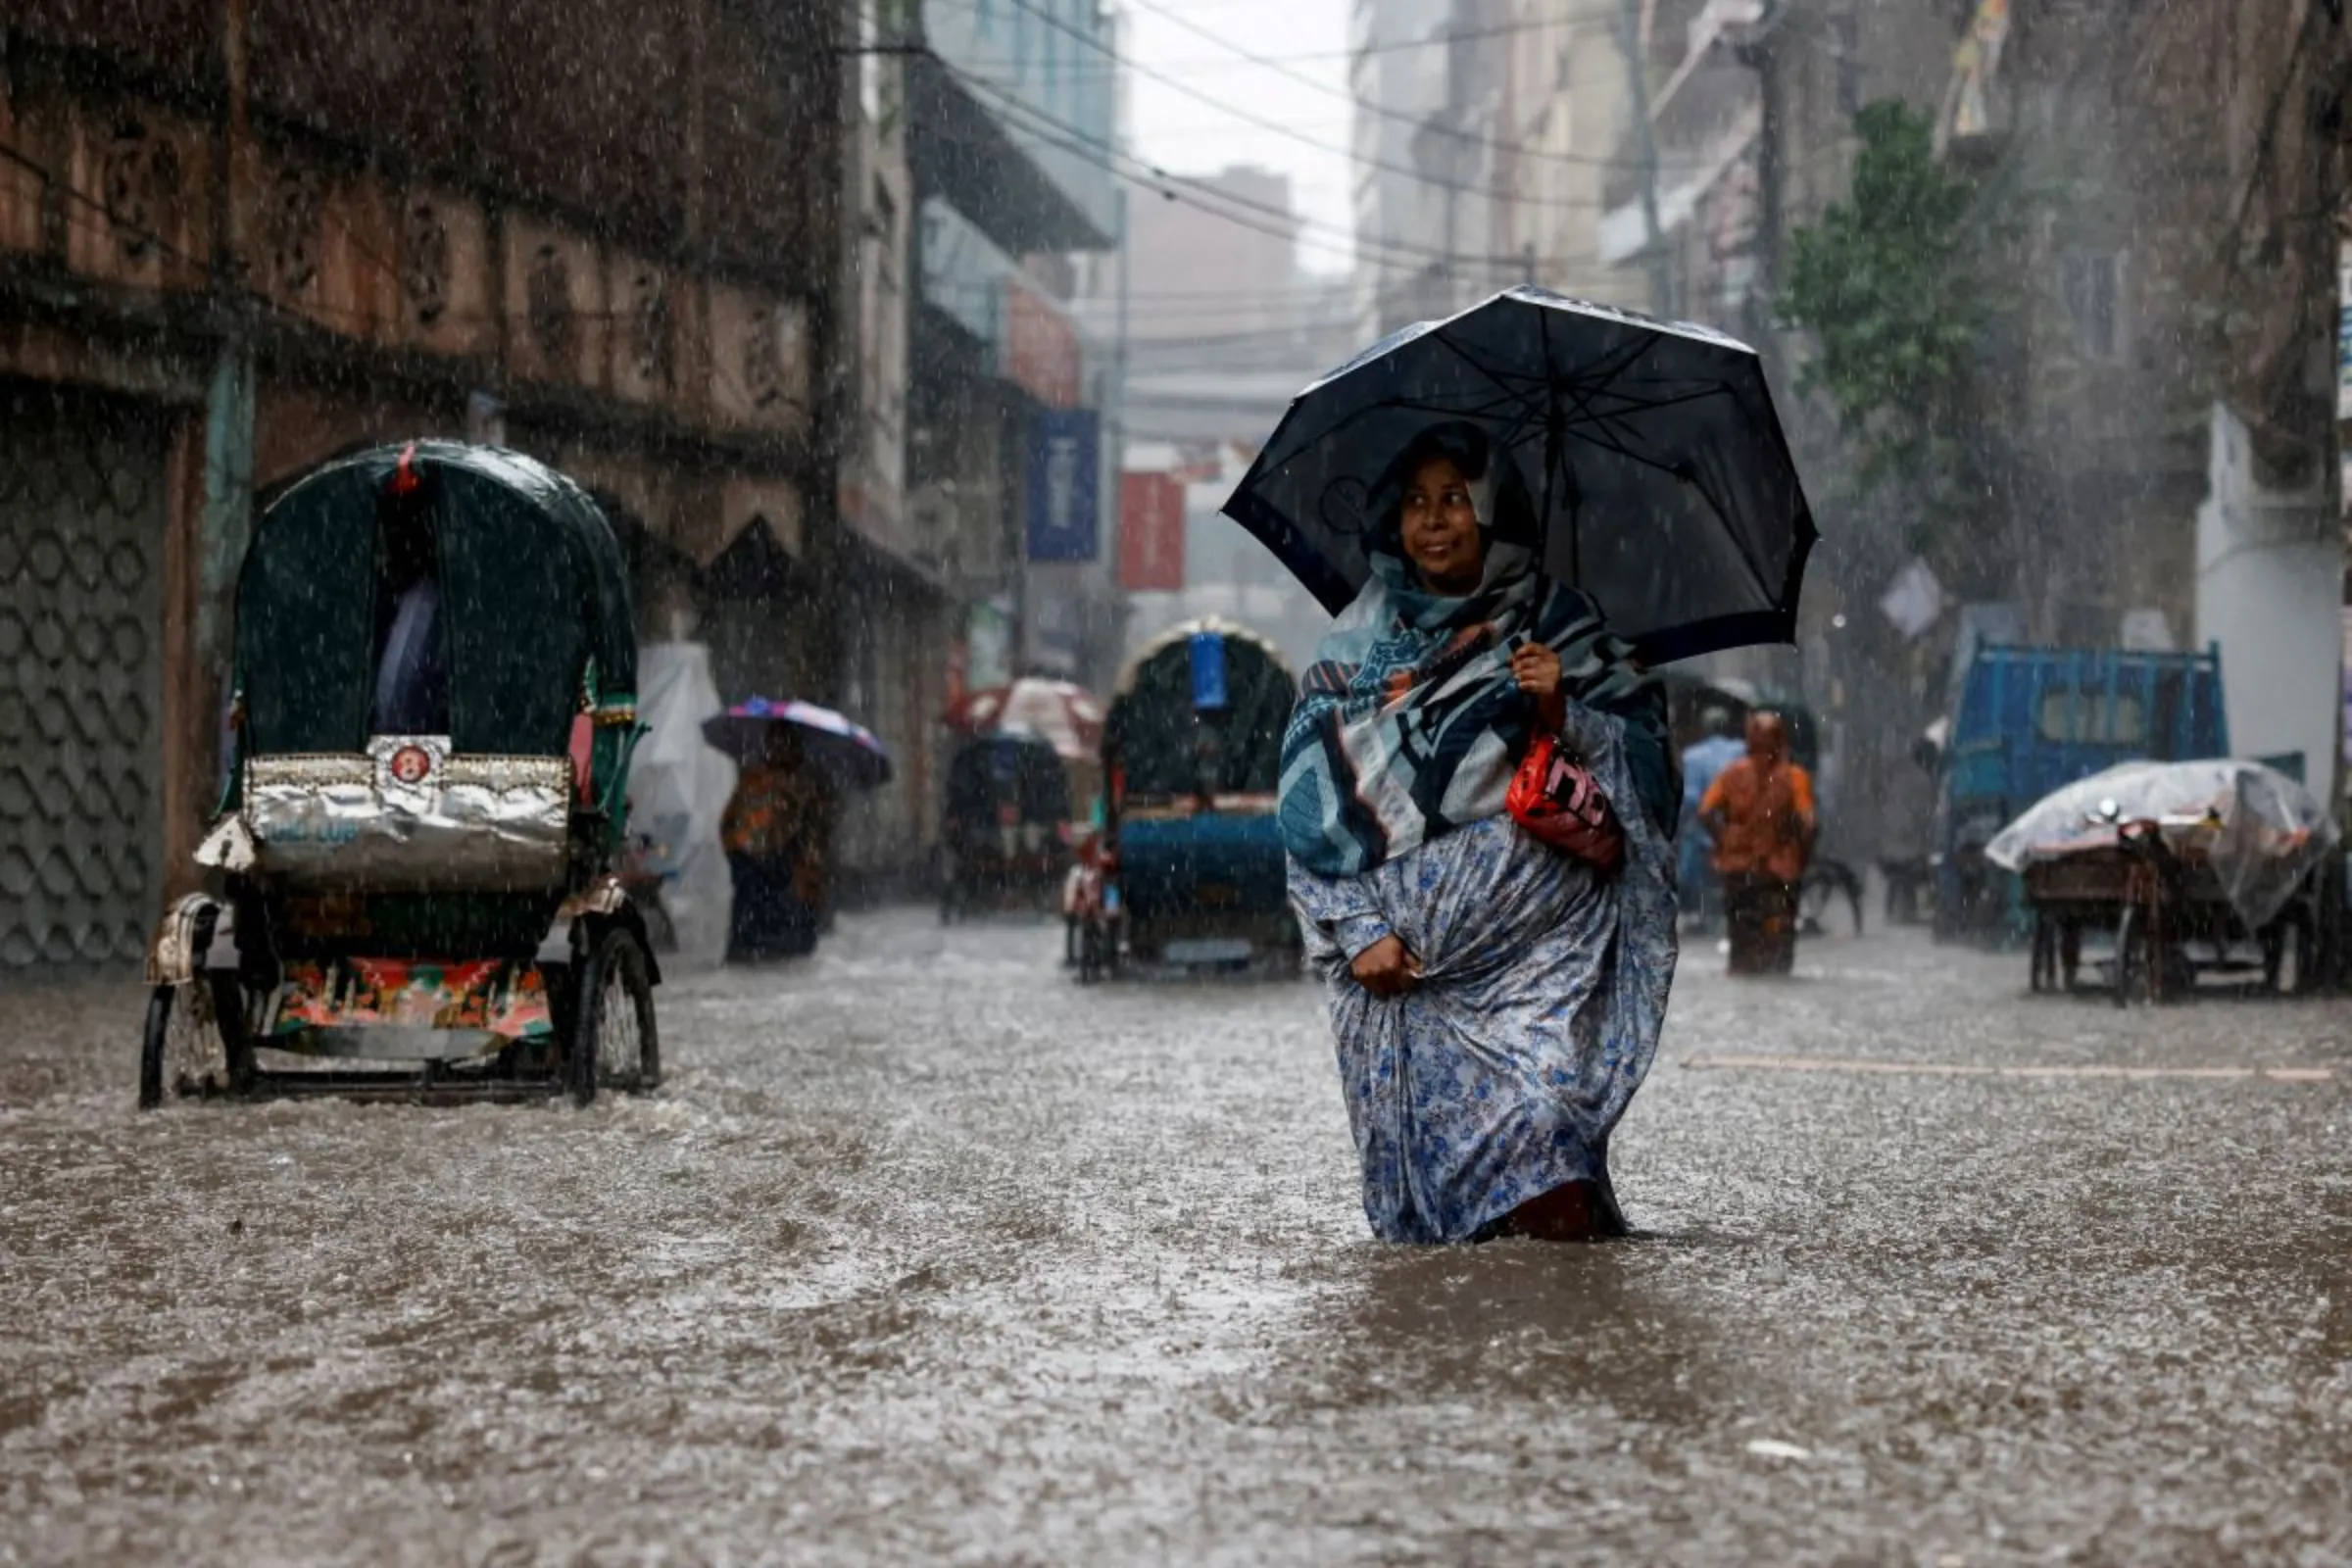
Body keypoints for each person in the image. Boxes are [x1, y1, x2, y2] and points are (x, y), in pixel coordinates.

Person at [1281, 421, 1679, 1245]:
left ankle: (1554, 1358)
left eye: (1456, 499)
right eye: (1417, 501)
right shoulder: (1353, 650)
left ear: (1493, 514)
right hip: (1396, 979)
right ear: (1393, 520)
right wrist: (1360, 932)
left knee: (1545, 1119)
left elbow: (1647, 772)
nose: (1433, 519)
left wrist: (1565, 710)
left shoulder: (1561, 626)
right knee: (1437, 1220)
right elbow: (1309, 809)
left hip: (1539, 965)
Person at [1698, 711, 1816, 975]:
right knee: (1780, 937)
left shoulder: (1730, 774)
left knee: (1741, 937)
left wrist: (1723, 841)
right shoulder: (1795, 777)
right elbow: (1809, 823)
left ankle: (1743, 970)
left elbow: (1705, 812)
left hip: (1738, 867)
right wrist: (1802, 856)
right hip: (1780, 869)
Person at [722, 728, 833, 960]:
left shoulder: (796, 785)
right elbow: (731, 826)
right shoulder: (760, 782)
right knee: (774, 947)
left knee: (777, 946)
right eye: (774, 744)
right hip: (766, 878)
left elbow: (731, 828)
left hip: (779, 879)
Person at [1677, 707, 1746, 930]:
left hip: (1703, 825)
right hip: (1737, 824)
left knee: (1691, 870)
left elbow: (1691, 799)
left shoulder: (1693, 756)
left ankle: (1698, 913)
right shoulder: (1741, 751)